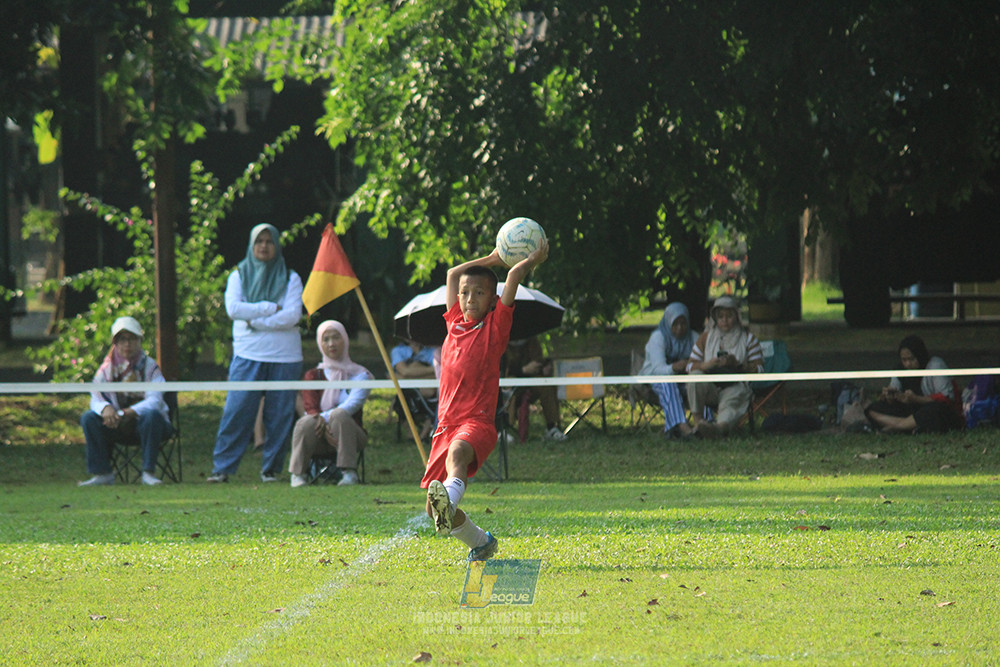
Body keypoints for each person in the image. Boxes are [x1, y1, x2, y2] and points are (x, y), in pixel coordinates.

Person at [423, 239, 549, 561]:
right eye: (465, 293)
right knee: (433, 512)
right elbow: (453, 274)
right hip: (445, 426)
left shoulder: (495, 327)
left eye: (479, 293)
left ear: (493, 300)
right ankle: (481, 542)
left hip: (476, 422)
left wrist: (529, 260)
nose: (469, 299)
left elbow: (514, 276)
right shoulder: (453, 322)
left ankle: (450, 499)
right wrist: (492, 258)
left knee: (458, 454)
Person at [207, 224, 304, 483]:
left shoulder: (291, 277)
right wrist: (269, 308)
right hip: (248, 354)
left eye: (269, 241)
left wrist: (254, 319)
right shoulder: (238, 275)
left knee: (280, 415)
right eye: (259, 241)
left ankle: (271, 469)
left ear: (277, 245)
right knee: (237, 411)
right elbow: (233, 309)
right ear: (251, 245)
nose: (264, 246)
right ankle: (222, 469)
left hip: (284, 357)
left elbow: (292, 315)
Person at [78, 316, 172, 486]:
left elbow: (155, 400)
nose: (127, 344)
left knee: (152, 416)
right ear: (115, 342)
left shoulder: (151, 367)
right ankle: (103, 473)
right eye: (122, 339)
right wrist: (105, 408)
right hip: (116, 425)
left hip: (147, 425)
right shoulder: (106, 369)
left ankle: (148, 473)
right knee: (88, 418)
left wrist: (129, 412)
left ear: (140, 341)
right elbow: (96, 396)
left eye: (132, 339)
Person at [288, 320, 373, 487]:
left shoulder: (360, 375)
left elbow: (352, 405)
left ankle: (349, 473)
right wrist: (321, 422)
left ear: (345, 340)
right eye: (325, 339)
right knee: (306, 421)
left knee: (339, 415)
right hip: (318, 435)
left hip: (350, 435)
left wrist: (325, 420)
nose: (331, 344)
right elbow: (310, 408)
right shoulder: (313, 375)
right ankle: (298, 474)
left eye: (336, 337)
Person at [686, 295, 763, 437]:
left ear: (736, 316)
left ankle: (719, 428)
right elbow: (689, 366)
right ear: (715, 318)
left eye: (729, 316)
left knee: (733, 398)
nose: (725, 320)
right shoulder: (705, 338)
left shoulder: (748, 338)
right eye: (721, 316)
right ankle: (698, 424)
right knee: (694, 378)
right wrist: (706, 365)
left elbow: (759, 369)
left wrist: (738, 365)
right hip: (711, 387)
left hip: (735, 386)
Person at [864, 335, 964, 433]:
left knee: (935, 410)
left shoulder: (935, 365)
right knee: (872, 409)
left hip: (934, 410)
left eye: (911, 359)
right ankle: (909, 426)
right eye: (904, 360)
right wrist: (890, 396)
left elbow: (947, 398)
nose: (908, 364)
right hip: (912, 411)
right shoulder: (899, 370)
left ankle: (898, 427)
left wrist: (916, 399)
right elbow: (894, 389)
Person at [638, 302, 698, 438]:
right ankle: (682, 426)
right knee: (668, 383)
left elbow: (701, 360)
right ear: (668, 323)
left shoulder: (693, 337)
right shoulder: (658, 338)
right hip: (655, 379)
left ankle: (704, 423)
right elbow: (658, 370)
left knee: (699, 383)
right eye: (675, 324)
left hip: (683, 380)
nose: (680, 328)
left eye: (683, 324)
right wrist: (674, 367)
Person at [502, 336, 565, 441]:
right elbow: (501, 369)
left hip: (531, 383)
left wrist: (543, 368)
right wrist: (523, 370)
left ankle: (552, 427)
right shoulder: (501, 341)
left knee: (546, 384)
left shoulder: (532, 340)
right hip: (511, 384)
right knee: (508, 384)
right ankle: (504, 429)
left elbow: (538, 361)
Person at [390, 338, 439, 439]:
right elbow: (405, 372)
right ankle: (413, 434)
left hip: (429, 392)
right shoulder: (398, 351)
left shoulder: (433, 351)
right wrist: (434, 368)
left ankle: (423, 434)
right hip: (409, 392)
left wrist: (409, 373)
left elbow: (403, 374)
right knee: (403, 399)